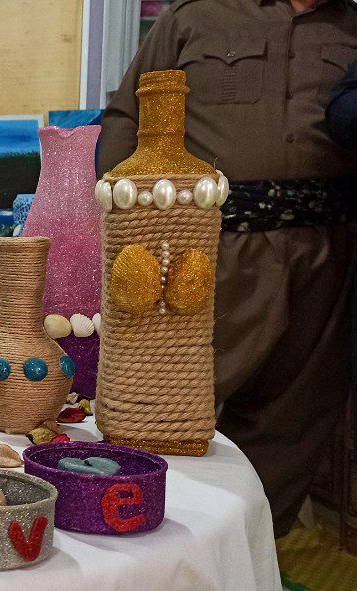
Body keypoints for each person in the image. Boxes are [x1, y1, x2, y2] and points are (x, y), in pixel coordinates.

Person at [98, 0, 357, 538]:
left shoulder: (351, 25)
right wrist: (123, 226)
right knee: (163, 398)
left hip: (325, 247)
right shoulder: (195, 16)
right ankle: (154, 539)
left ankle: (247, 549)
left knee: (295, 412)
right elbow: (127, 117)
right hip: (201, 247)